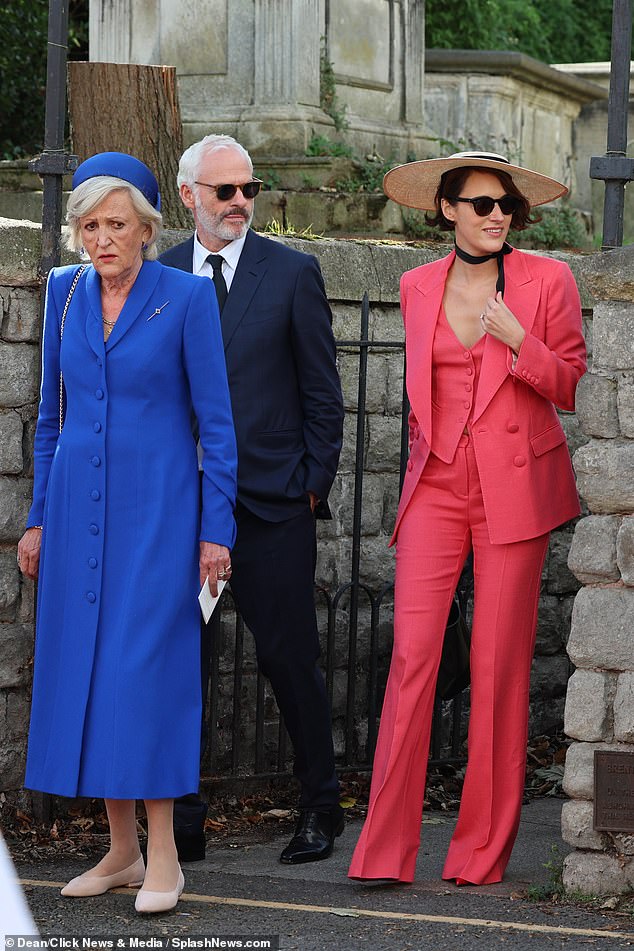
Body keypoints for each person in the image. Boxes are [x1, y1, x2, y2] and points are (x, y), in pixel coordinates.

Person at [348, 152, 587, 886]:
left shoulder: (549, 280)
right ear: (446, 208)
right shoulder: (416, 285)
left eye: (505, 205)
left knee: (495, 666)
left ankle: (480, 852)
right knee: (413, 658)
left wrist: (520, 340)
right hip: (438, 486)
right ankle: (385, 851)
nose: (495, 216)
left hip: (516, 489)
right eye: (479, 203)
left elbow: (571, 383)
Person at [17, 152, 237, 914]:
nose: (101, 238)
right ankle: (119, 850)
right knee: (91, 674)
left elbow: (216, 425)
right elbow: (52, 418)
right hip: (78, 512)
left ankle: (165, 856)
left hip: (159, 515)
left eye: (116, 224)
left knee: (145, 675)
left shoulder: (185, 298)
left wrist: (216, 530)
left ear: (147, 228)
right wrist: (39, 514)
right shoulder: (64, 293)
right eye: (89, 225)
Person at [160, 134, 345, 865]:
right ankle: (183, 814)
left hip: (272, 506)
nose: (240, 202)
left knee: (289, 657)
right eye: (224, 191)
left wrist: (309, 488)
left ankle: (320, 806)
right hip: (183, 508)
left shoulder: (292, 273)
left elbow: (323, 398)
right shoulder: (161, 274)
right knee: (183, 663)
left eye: (249, 189)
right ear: (189, 197)